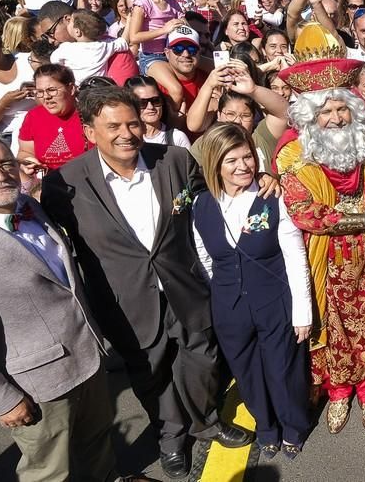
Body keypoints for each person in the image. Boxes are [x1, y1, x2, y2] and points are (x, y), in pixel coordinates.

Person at [41, 88, 254, 479]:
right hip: (126, 302)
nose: (127, 133)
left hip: (186, 288)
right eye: (114, 126)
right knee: (150, 374)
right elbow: (49, 240)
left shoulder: (172, 160)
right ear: (90, 132)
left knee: (203, 361)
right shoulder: (65, 183)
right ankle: (171, 438)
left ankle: (206, 421)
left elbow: (213, 195)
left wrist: (261, 182)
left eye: (133, 123)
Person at [0, 135, 132, 482]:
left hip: (87, 361)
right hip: (40, 388)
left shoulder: (28, 206)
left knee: (97, 446)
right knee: (51, 471)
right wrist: (2, 401)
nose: (0, 175)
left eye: (6, 163)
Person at [273, 24, 365, 438]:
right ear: (309, 117)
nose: (334, 118)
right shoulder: (293, 154)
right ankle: (337, 390)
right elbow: (303, 211)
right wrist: (360, 219)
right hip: (324, 257)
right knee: (328, 324)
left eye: (340, 110)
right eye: (324, 111)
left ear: (353, 110)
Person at [193, 123, 313, 461]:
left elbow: (295, 256)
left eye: (247, 157)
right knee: (246, 372)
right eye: (231, 160)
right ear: (215, 164)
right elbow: (204, 259)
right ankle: (267, 429)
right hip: (229, 306)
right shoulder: (201, 205)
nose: (242, 166)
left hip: (273, 299)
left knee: (282, 368)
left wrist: (302, 312)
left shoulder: (271, 197)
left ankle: (293, 428)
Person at [17, 64, 89, 175]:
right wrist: (28, 161)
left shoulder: (89, 114)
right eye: (40, 92)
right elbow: (25, 151)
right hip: (48, 183)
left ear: (71, 89)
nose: (46, 96)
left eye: (51, 90)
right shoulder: (33, 116)